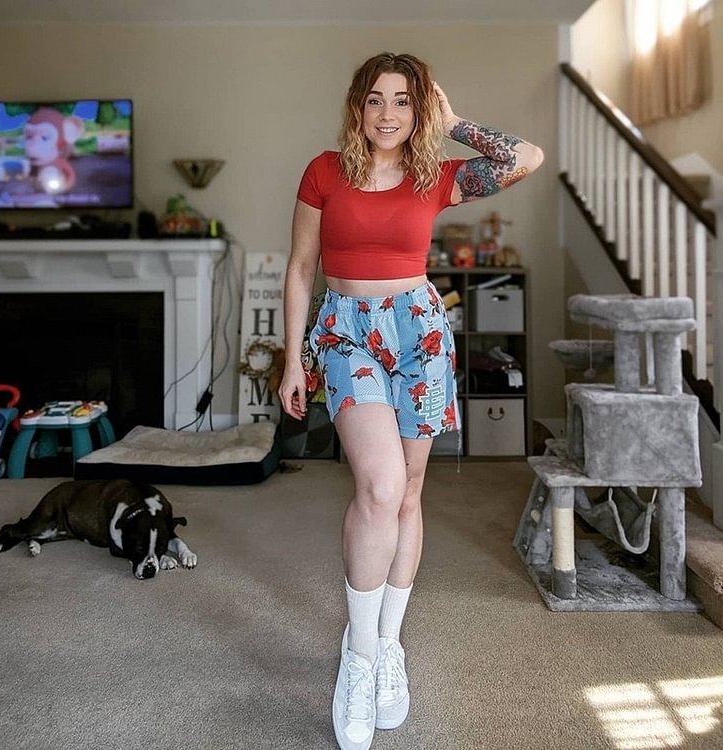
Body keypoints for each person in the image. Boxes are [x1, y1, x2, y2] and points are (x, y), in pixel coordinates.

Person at [278, 52, 543, 750]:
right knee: (379, 486)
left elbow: (526, 156)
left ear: (419, 109)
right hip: (347, 332)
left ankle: (389, 644)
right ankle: (359, 658)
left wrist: (453, 124)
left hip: (419, 331)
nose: (388, 113)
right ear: (357, 107)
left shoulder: (437, 176)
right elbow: (302, 269)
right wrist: (291, 358)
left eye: (403, 100)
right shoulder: (324, 171)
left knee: (409, 493)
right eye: (376, 99)